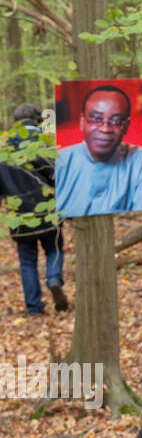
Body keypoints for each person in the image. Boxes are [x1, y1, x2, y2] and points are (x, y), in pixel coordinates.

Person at [0, 104, 67, 315]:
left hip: (17, 214)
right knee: (54, 248)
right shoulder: (43, 141)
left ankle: (34, 308)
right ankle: (54, 278)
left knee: (27, 260)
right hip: (46, 209)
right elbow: (56, 173)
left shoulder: (4, 146)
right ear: (37, 119)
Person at [55, 85, 142, 217]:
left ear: (126, 127)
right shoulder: (59, 162)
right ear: (82, 122)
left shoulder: (141, 161)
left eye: (116, 121)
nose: (105, 129)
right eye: (96, 119)